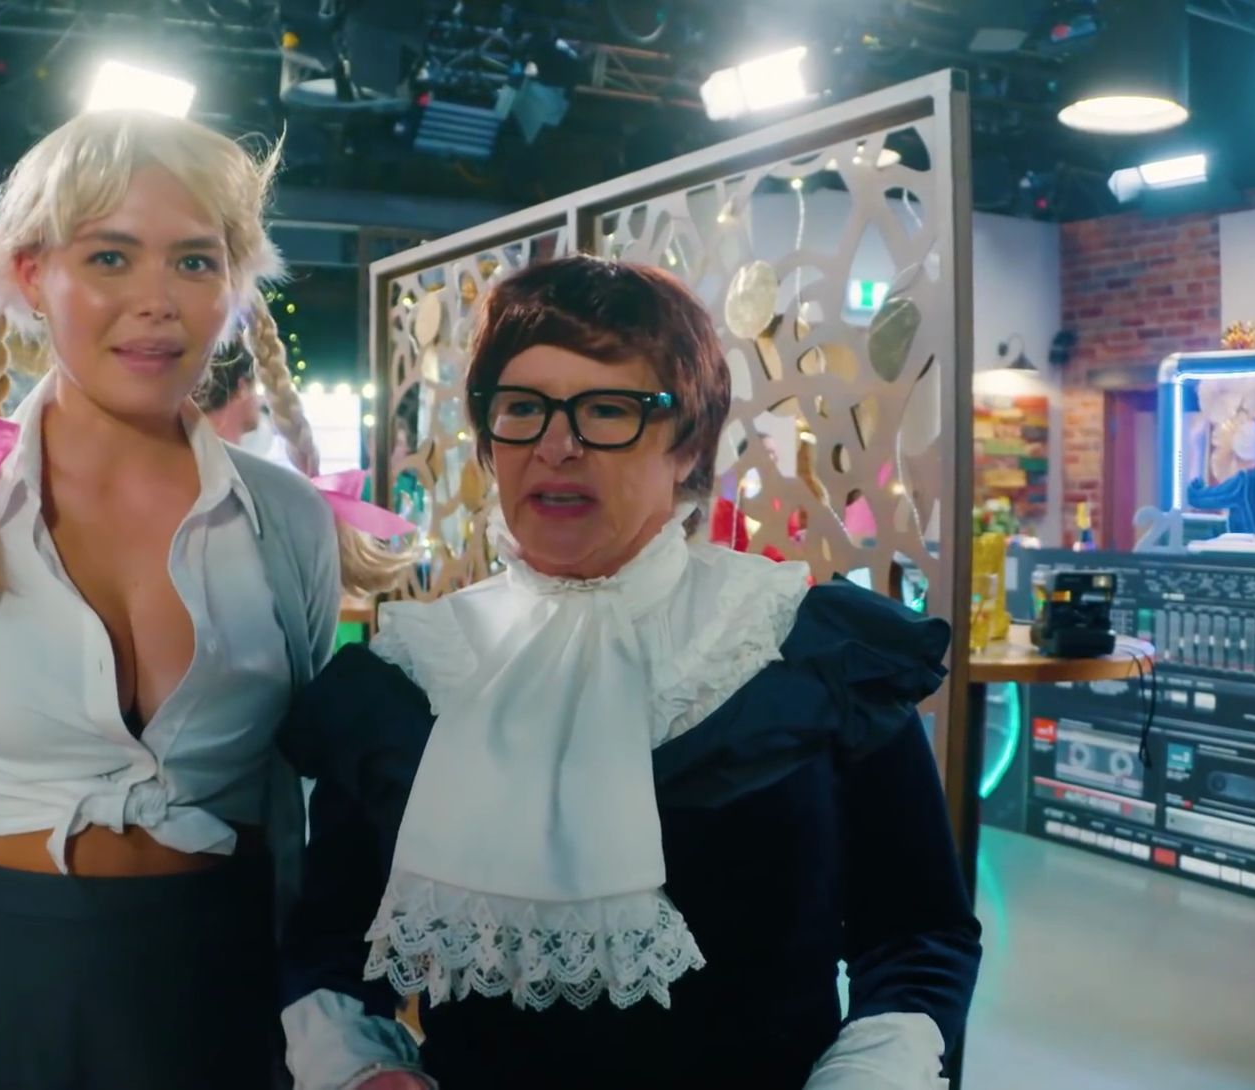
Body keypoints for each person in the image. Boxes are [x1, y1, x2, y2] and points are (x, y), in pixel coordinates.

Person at [278, 256, 982, 1090]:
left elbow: (916, 933)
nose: (557, 447)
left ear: (689, 445)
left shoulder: (805, 655)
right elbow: (329, 942)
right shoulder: (407, 677)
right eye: (522, 409)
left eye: (607, 411)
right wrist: (359, 1068)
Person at [0, 108, 344, 1089]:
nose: (156, 301)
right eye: (111, 257)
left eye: (194, 262)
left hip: (224, 993)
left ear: (235, 286)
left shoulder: (286, 520)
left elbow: (307, 787)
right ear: (32, 276)